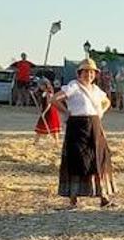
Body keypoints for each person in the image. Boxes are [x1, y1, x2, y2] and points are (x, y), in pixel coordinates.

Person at [50, 58, 115, 209]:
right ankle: (73, 199)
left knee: (98, 159)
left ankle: (103, 197)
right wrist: (66, 112)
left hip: (94, 126)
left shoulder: (96, 90)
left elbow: (107, 102)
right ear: (79, 73)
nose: (89, 75)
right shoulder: (73, 86)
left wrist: (101, 112)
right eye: (86, 71)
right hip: (77, 126)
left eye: (92, 72)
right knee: (76, 160)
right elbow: (54, 99)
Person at [34, 78, 61, 143]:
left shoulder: (49, 92)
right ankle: (36, 141)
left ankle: (56, 141)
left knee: (53, 128)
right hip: (45, 111)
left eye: (41, 85)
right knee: (40, 126)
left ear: (45, 85)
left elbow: (49, 104)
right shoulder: (43, 92)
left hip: (50, 111)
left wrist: (44, 112)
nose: (40, 87)